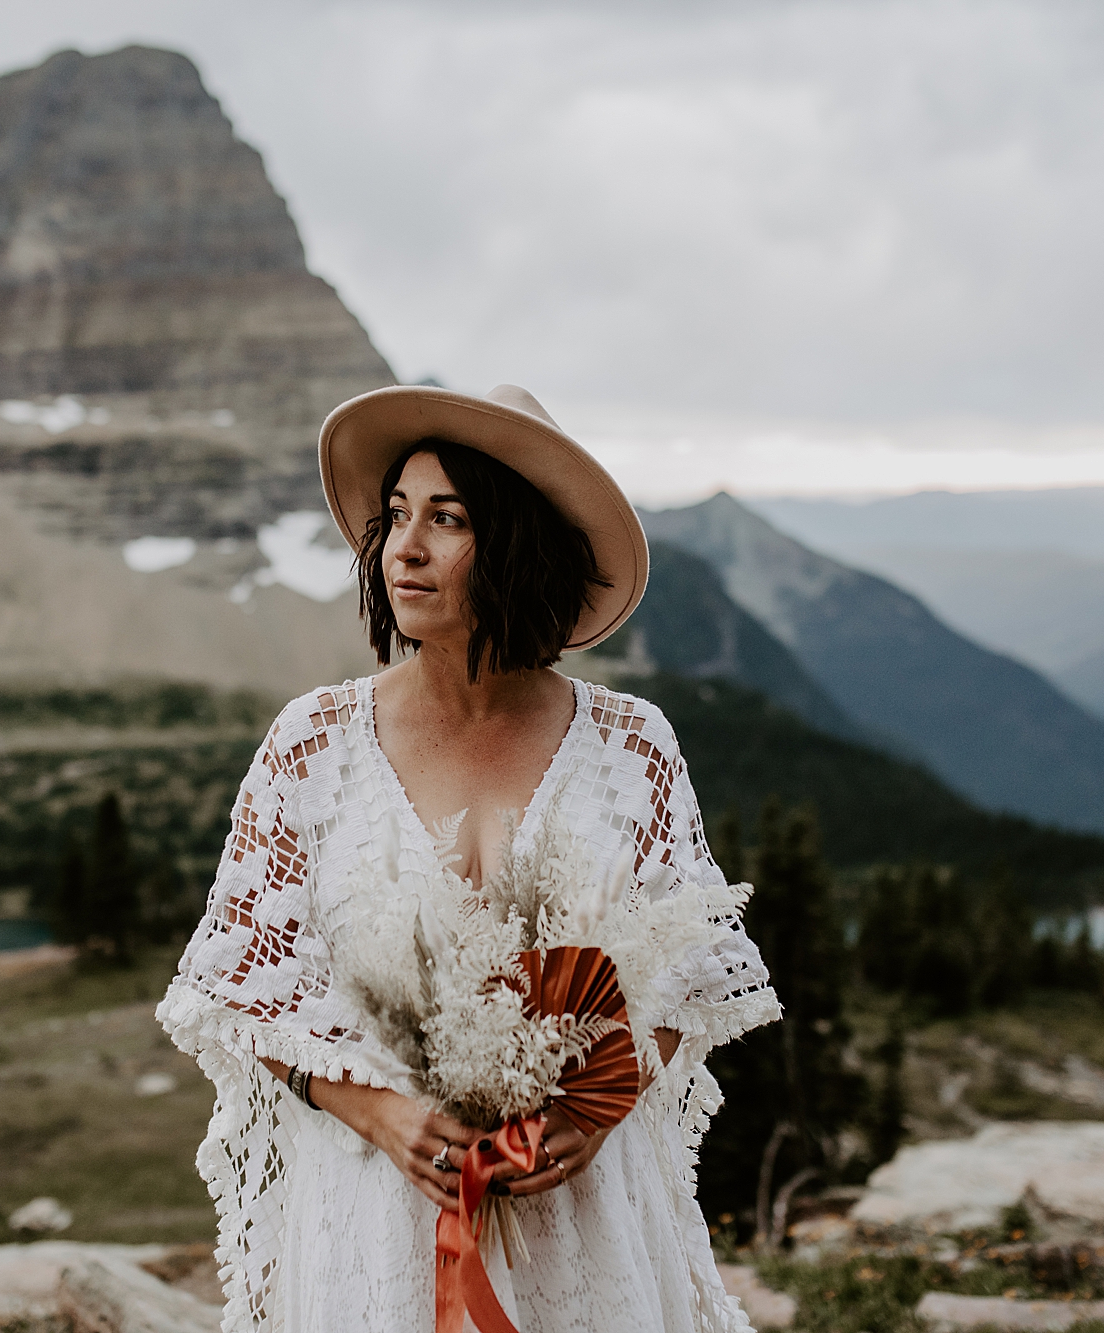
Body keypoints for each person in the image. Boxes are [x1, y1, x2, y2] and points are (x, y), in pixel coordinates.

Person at [159, 384, 779, 1332]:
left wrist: (594, 1106)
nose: (403, 548)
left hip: (580, 1215)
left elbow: (688, 981)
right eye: (396, 514)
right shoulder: (313, 743)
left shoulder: (632, 746)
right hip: (375, 1217)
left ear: (519, 544)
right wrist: (380, 1114)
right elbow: (244, 991)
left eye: (447, 519)